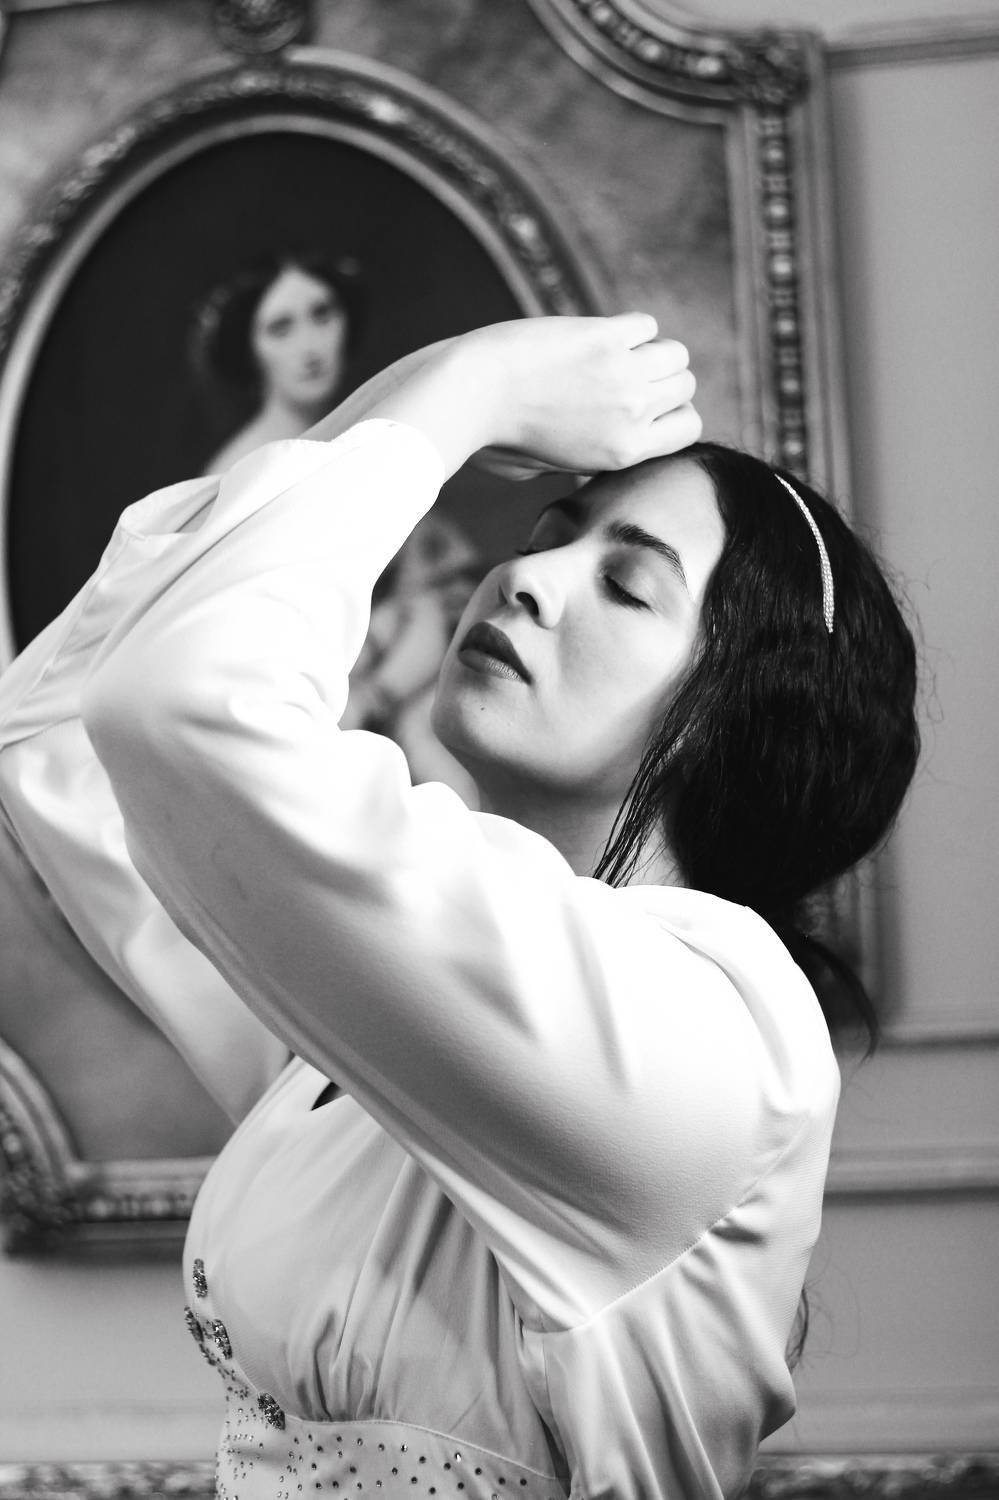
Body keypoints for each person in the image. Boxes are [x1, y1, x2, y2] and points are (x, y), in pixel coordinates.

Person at [0, 315, 919, 1500]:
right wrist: (415, 390)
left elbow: (176, 704)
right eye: (547, 536)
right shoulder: (391, 1024)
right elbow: (64, 734)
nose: (525, 578)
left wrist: (473, 389)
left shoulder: (701, 1035)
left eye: (625, 585)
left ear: (734, 720)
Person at [195, 250, 480, 795]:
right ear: (250, 348)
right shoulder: (242, 472)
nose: (309, 345)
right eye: (281, 328)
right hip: (293, 696)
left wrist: (386, 674)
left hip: (389, 670)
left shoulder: (366, 439)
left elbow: (432, 587)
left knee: (435, 721)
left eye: (322, 314)